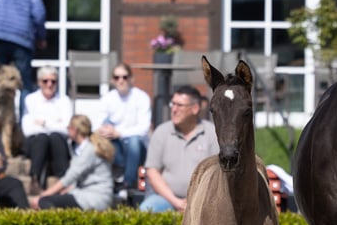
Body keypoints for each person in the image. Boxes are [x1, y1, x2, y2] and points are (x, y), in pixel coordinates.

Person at [139, 85, 219, 212]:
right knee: (146, 210)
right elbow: (152, 171)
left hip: (205, 200)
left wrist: (196, 201)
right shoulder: (162, 132)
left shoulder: (212, 133)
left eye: (179, 105)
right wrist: (176, 202)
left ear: (195, 109)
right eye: (173, 104)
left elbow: (218, 174)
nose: (174, 109)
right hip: (166, 199)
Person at [30, 114, 115, 211]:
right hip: (87, 194)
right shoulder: (83, 148)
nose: (67, 130)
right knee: (58, 197)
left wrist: (43, 195)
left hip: (93, 197)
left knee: (44, 201)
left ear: (75, 130)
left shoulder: (89, 150)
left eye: (68, 127)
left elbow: (70, 177)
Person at [95, 63, 151, 193]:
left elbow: (144, 128)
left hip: (137, 147)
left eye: (124, 77)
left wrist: (119, 133)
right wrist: (104, 130)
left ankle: (128, 182)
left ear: (131, 79)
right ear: (112, 80)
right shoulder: (108, 98)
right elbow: (96, 124)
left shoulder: (141, 97)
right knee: (104, 127)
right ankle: (110, 179)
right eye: (117, 77)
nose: (120, 80)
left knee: (134, 141)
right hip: (116, 144)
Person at [21, 65, 71, 195]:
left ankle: (63, 180)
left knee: (55, 137)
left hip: (57, 143)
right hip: (36, 143)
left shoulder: (64, 101)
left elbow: (67, 129)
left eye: (53, 81)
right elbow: (27, 129)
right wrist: (55, 124)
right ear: (39, 82)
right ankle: (35, 179)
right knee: (42, 138)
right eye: (45, 81)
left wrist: (44, 123)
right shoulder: (30, 99)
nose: (49, 84)